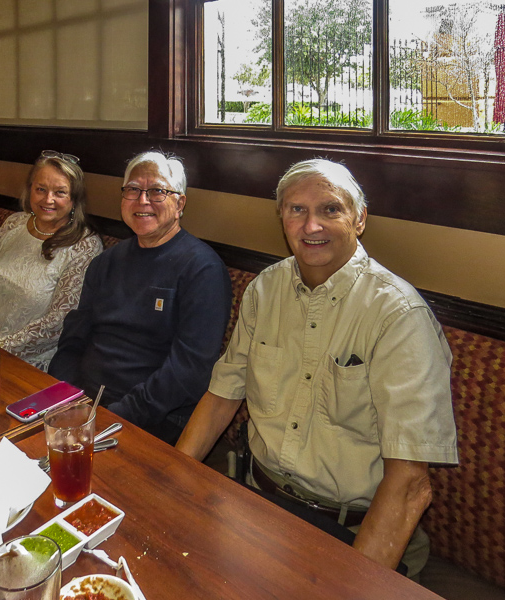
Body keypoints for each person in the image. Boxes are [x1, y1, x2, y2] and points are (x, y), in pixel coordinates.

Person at [176, 159, 458, 578]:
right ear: (282, 218)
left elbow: (410, 484)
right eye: (296, 210)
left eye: (330, 209)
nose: (311, 226)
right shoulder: (265, 289)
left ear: (359, 218)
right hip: (254, 502)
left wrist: (354, 586)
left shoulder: (397, 315)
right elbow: (222, 397)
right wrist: (169, 484)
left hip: (348, 532)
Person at [48, 151, 232, 445]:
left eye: (157, 191)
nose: (142, 200)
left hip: (152, 419)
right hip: (81, 405)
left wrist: (114, 416)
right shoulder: (105, 262)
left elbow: (189, 371)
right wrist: (67, 397)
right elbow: (73, 339)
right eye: (133, 190)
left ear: (179, 203)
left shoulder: (202, 269)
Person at [0, 151, 102, 371]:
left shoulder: (85, 246)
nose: (48, 199)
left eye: (60, 192)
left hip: (25, 362)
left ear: (74, 200)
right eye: (40, 189)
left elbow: (56, 324)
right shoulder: (13, 224)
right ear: (30, 189)